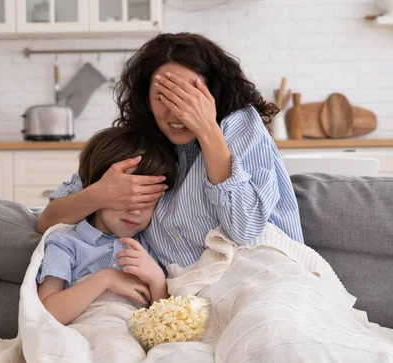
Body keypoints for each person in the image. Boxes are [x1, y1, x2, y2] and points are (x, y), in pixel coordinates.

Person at [38, 32, 304, 271]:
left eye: (188, 97)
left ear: (212, 94)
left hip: (262, 275)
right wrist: (101, 193)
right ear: (146, 100)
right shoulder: (139, 144)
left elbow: (245, 227)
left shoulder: (238, 125)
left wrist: (207, 129)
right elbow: (47, 221)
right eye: (163, 97)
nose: (177, 111)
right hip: (184, 300)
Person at [37, 127, 177, 326]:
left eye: (146, 202)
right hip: (78, 338)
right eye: (127, 198)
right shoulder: (65, 242)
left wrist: (157, 281)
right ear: (100, 190)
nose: (136, 212)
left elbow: (167, 326)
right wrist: (105, 279)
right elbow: (44, 314)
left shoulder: (149, 247)